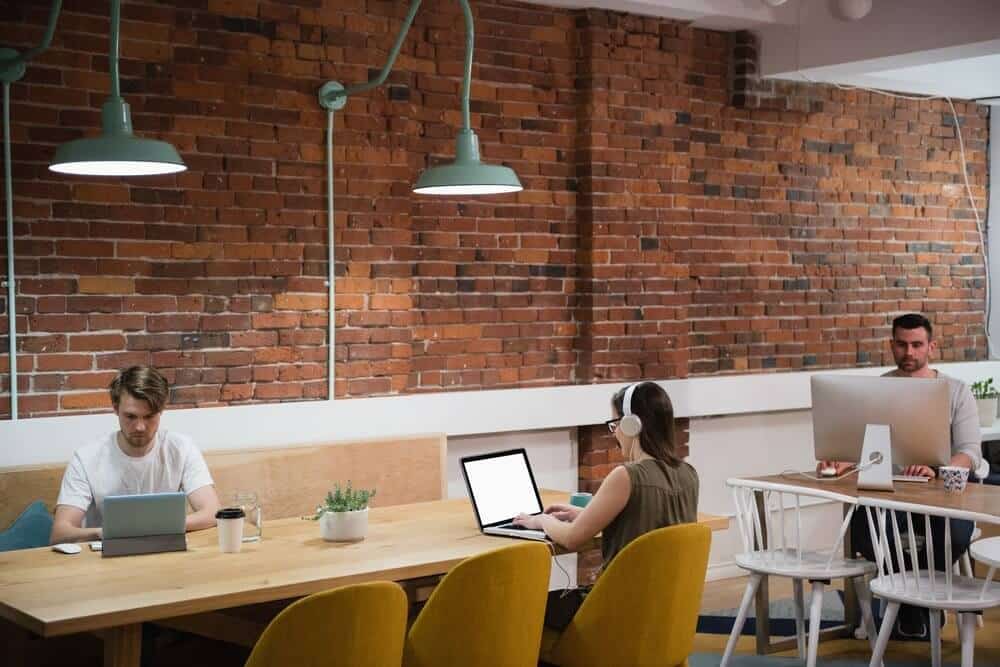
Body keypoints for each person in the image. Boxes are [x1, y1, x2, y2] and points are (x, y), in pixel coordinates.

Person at [818, 312, 982, 639]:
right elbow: (868, 447)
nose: (910, 353)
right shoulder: (880, 388)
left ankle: (908, 607)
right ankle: (915, 608)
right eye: (902, 345)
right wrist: (845, 462)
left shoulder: (956, 391)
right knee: (862, 531)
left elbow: (970, 452)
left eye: (917, 345)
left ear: (931, 347)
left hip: (941, 499)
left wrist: (938, 468)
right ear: (891, 345)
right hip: (892, 497)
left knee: (953, 537)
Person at [513, 381, 699, 630]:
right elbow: (650, 521)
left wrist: (541, 521)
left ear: (631, 424)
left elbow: (571, 539)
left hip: (617, 611)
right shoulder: (688, 473)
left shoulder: (626, 475)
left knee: (522, 607)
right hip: (665, 611)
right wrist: (586, 514)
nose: (614, 434)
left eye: (615, 425)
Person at [50, 366, 221, 544]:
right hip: (104, 558)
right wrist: (106, 533)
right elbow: (60, 533)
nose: (140, 427)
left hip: (163, 554)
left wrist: (157, 528)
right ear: (115, 408)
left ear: (161, 410)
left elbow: (212, 512)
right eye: (131, 416)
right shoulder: (86, 458)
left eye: (149, 417)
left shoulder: (182, 448)